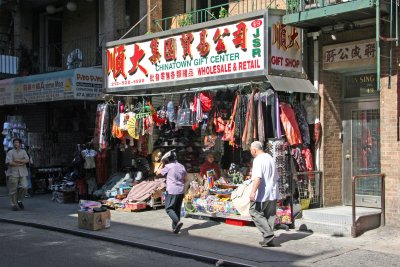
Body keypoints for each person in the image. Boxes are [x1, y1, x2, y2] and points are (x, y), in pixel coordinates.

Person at [249, 141, 279, 247]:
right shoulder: (270, 158)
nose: (251, 152)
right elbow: (276, 176)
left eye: (250, 150)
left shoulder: (258, 160)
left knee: (254, 212)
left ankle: (268, 234)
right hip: (273, 191)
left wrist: (253, 192)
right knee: (269, 215)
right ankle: (268, 239)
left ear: (254, 150)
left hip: (263, 193)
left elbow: (258, 178)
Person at [155, 149, 187, 234]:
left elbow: (157, 173)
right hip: (180, 190)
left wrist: (161, 163)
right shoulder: (181, 166)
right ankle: (175, 228)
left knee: (169, 209)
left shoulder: (168, 166)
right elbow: (185, 179)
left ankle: (178, 222)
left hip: (172, 190)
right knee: (177, 209)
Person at [5, 138, 30, 211]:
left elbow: (27, 160)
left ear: (20, 144)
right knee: (13, 189)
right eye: (15, 142)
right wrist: (21, 163)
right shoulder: (10, 152)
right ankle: (13, 204)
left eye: (17, 142)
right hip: (13, 172)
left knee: (25, 186)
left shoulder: (23, 151)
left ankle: (19, 200)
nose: (16, 144)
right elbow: (10, 162)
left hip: (23, 172)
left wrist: (17, 160)